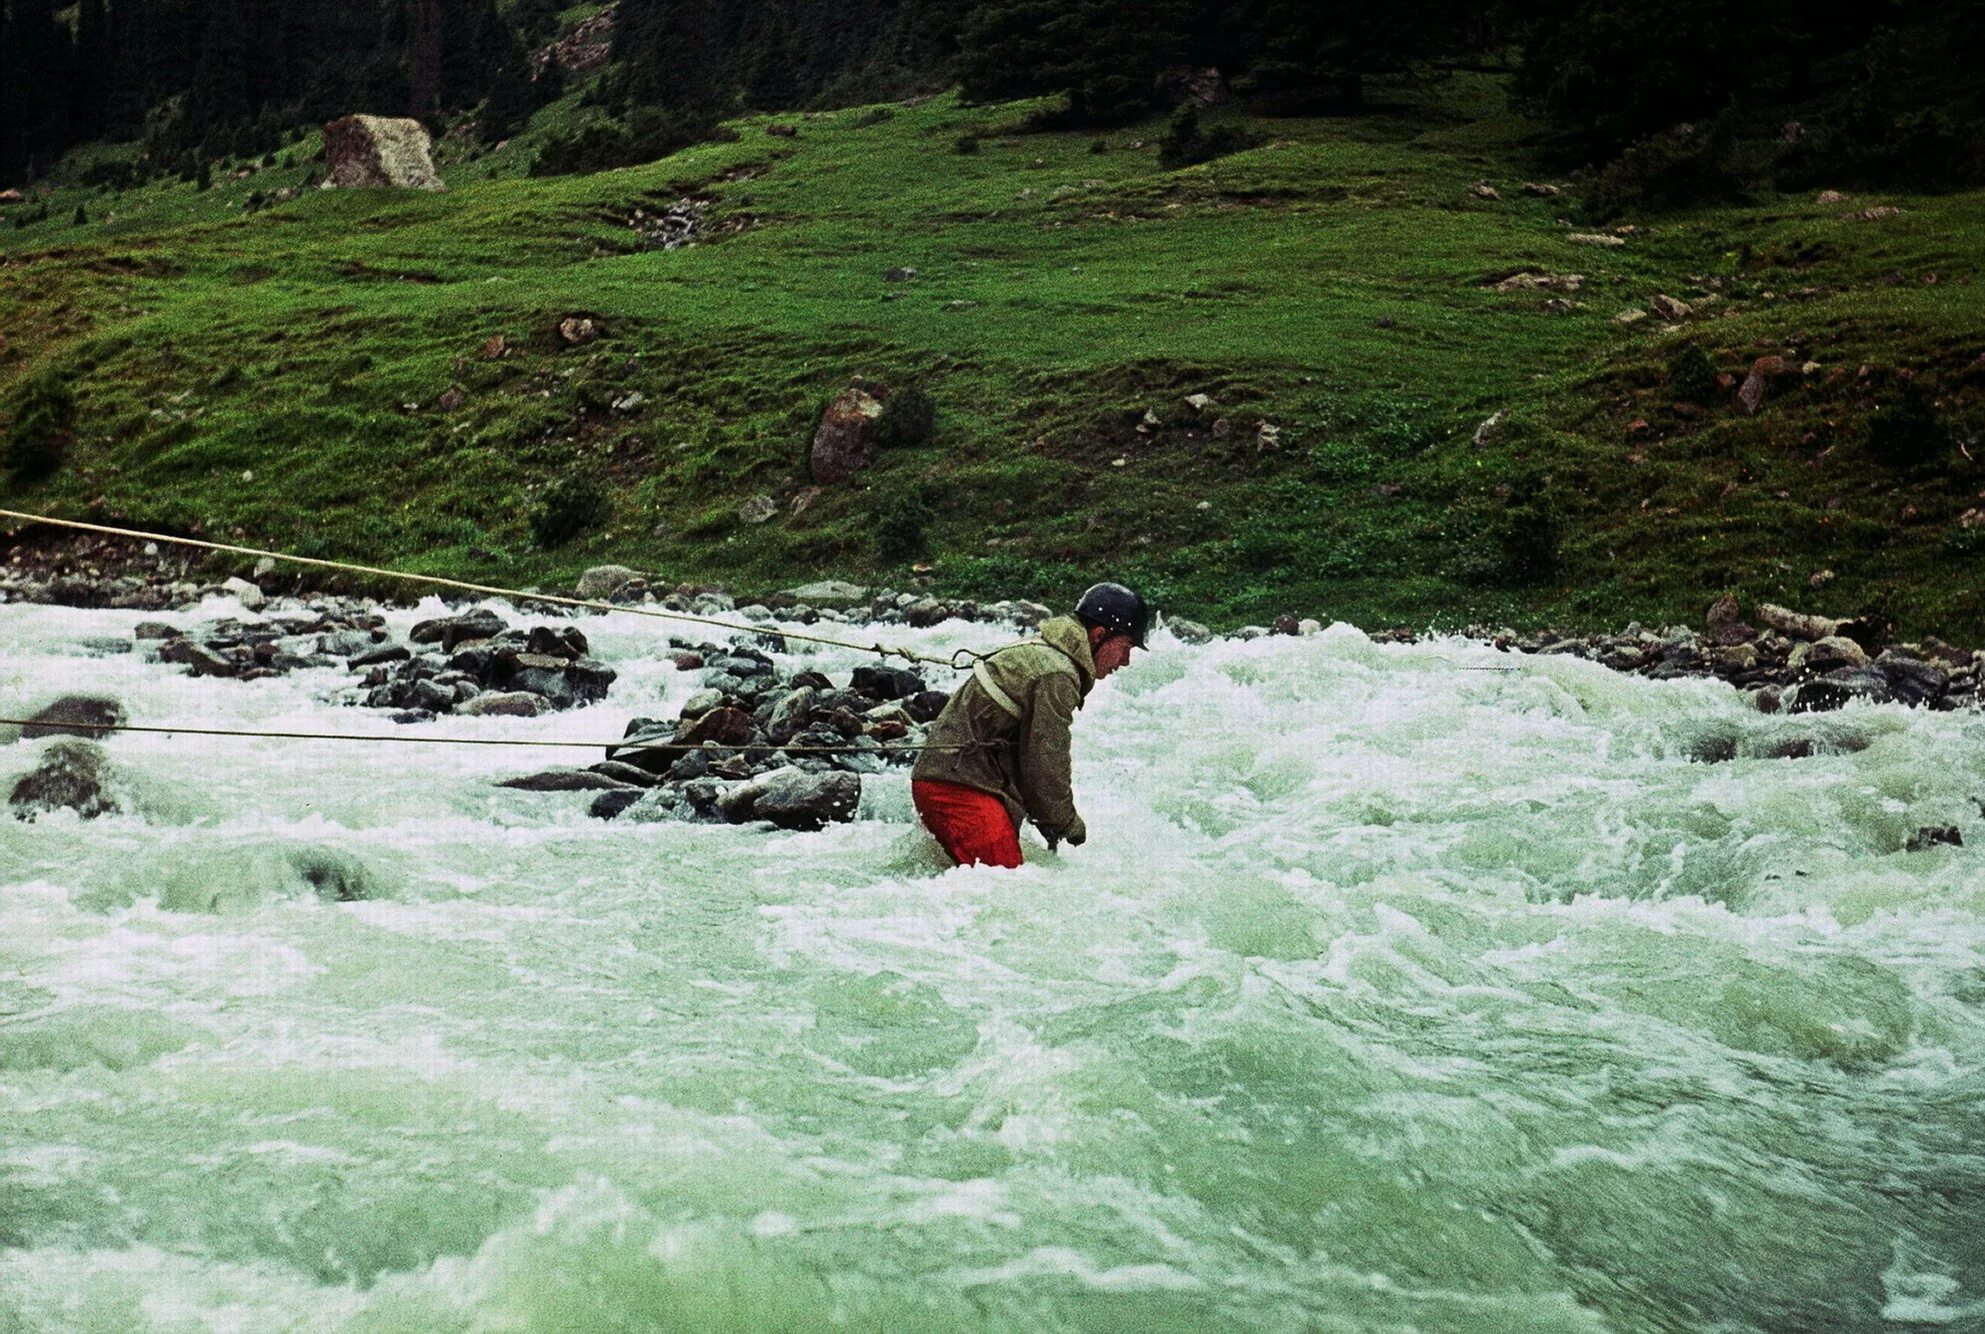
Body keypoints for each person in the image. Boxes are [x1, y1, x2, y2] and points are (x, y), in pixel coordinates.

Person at [911, 583, 1149, 868]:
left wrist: (1046, 816)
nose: (1126, 661)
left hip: (951, 780)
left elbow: (1029, 756)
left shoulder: (1049, 654)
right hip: (956, 789)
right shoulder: (1058, 674)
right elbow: (1046, 760)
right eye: (1126, 648)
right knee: (1005, 889)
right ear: (1100, 635)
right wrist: (1066, 823)